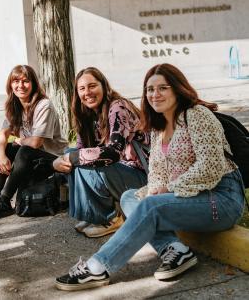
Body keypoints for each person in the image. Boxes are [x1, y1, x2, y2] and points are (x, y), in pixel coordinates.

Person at [55, 63, 245, 291]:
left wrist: (169, 189)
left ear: (177, 89)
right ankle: (175, 250)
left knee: (150, 206)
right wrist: (152, 191)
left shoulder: (197, 115)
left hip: (222, 199)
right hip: (190, 196)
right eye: (150, 89)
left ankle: (98, 266)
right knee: (129, 198)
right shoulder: (159, 126)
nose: (155, 94)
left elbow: (210, 167)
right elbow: (156, 173)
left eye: (162, 88)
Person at [53, 67, 148, 238]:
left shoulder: (118, 107)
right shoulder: (86, 114)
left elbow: (112, 153)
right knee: (72, 153)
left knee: (78, 159)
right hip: (122, 172)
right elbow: (80, 150)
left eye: (92, 86)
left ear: (104, 86)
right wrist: (62, 159)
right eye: (82, 89)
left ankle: (110, 218)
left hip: (143, 176)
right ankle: (93, 216)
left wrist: (72, 157)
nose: (87, 92)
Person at [0, 64, 68, 221]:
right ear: (11, 84)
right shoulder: (14, 106)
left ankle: (3, 200)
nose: (20, 85)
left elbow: (36, 142)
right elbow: (3, 134)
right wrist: (1, 155)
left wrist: (19, 140)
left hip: (54, 160)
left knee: (22, 149)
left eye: (25, 81)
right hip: (32, 159)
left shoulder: (43, 105)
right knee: (9, 148)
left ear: (33, 84)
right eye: (16, 81)